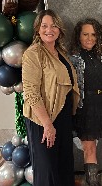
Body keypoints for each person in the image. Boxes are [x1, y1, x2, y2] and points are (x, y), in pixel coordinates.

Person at [22, 9, 80, 186]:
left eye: (54, 25)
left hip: (62, 116)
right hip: (42, 120)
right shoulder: (33, 54)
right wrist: (47, 124)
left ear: (60, 29)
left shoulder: (59, 51)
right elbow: (31, 92)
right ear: (38, 29)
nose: (49, 30)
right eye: (45, 26)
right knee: (47, 170)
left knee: (63, 166)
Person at [69, 18, 102, 186]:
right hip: (84, 107)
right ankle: (93, 182)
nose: (89, 38)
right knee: (89, 147)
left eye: (93, 34)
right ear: (78, 36)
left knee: (93, 145)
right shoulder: (73, 58)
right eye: (85, 34)